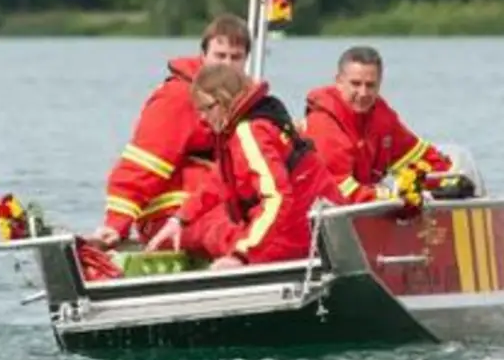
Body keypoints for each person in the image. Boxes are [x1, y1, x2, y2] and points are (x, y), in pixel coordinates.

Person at [145, 64, 341, 268]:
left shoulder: (249, 133)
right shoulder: (252, 124)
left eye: (206, 108)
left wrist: (241, 255)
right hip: (314, 228)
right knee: (216, 234)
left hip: (303, 237)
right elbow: (218, 181)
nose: (202, 117)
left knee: (220, 241)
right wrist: (180, 219)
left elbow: (277, 198)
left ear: (224, 100)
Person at [85, 14, 250, 249]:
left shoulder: (245, 100)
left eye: (236, 57)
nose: (227, 64)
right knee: (240, 234)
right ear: (203, 56)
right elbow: (143, 164)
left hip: (215, 206)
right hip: (171, 214)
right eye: (220, 56)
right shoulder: (178, 98)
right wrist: (116, 224)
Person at [302, 45, 465, 203]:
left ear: (379, 84)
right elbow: (336, 190)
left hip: (364, 208)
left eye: (370, 85)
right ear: (339, 82)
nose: (363, 93)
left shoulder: (381, 117)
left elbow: (420, 158)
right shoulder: (324, 123)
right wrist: (391, 198)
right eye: (356, 84)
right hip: (322, 209)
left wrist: (449, 180)